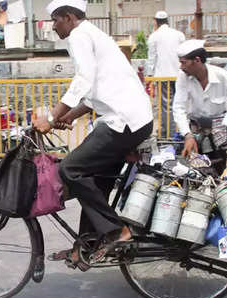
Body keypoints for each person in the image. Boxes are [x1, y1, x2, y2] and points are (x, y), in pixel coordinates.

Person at [33, 0, 153, 268]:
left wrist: (51, 118)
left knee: (70, 170)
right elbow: (93, 93)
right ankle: (85, 247)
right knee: (95, 179)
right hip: (131, 119)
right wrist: (67, 117)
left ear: (68, 17)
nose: (53, 26)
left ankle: (116, 231)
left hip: (123, 122)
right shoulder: (93, 35)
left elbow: (83, 80)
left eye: (55, 20)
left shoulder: (79, 36)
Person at [172, 39, 227, 175]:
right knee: (193, 174)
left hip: (218, 135)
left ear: (197, 60)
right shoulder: (182, 78)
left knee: (218, 173)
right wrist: (188, 136)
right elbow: (179, 108)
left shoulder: (222, 76)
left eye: (184, 62)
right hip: (195, 133)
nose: (181, 67)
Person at [145, 11, 185, 138]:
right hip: (179, 74)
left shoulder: (154, 36)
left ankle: (168, 133)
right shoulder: (179, 35)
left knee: (166, 106)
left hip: (163, 76)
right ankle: (178, 131)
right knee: (179, 103)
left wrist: (149, 76)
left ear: (156, 22)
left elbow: (152, 59)